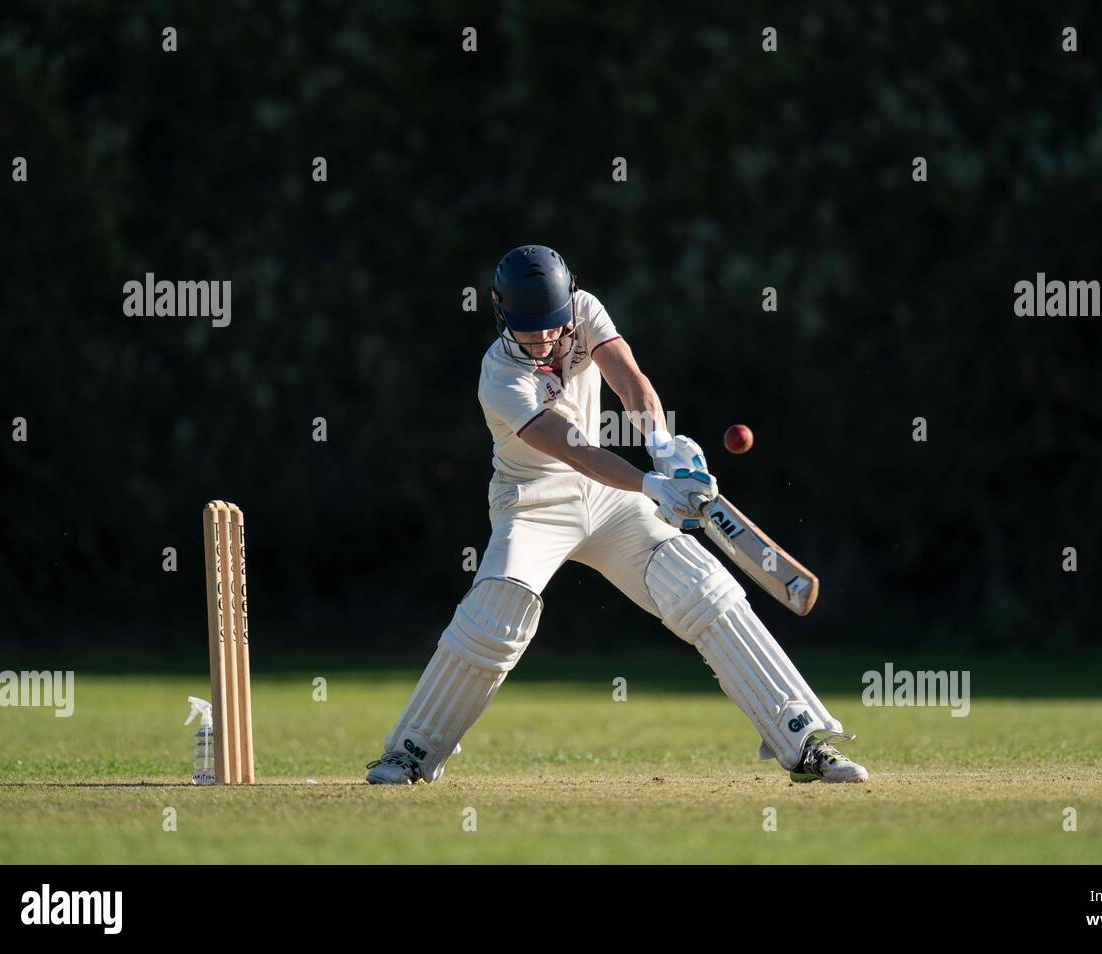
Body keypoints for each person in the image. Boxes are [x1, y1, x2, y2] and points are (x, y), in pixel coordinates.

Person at [366, 244, 867, 785]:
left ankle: (802, 738)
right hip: (533, 500)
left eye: (550, 325)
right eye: (527, 327)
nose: (541, 338)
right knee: (497, 610)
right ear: (499, 309)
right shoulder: (499, 376)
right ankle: (411, 751)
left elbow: (629, 380)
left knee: (702, 589)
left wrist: (663, 446)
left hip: (609, 498)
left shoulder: (584, 311)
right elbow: (577, 449)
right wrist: (654, 484)